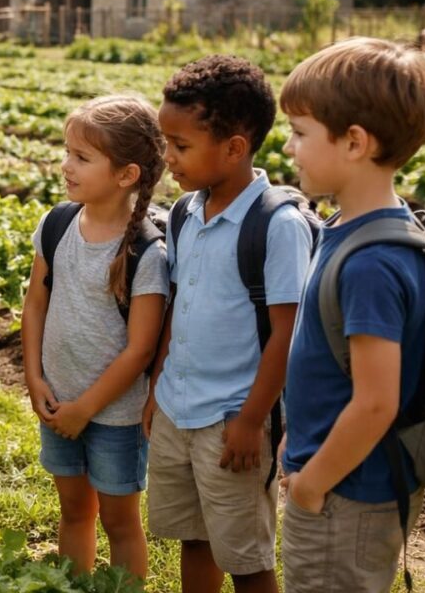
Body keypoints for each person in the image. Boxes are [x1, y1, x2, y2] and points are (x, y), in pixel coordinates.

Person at [144, 56, 312, 593]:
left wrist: (251, 420)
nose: (168, 158)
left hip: (232, 419)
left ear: (235, 148)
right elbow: (176, 305)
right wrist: (157, 385)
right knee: (195, 538)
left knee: (245, 556)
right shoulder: (183, 213)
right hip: (177, 406)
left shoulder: (276, 226)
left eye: (181, 146)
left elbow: (287, 334)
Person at [278, 38, 425, 592]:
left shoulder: (372, 262)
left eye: (300, 133)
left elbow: (376, 402)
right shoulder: (352, 228)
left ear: (353, 142)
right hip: (338, 477)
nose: (289, 146)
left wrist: (312, 484)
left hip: (347, 493)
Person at [21, 95, 169, 579]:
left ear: (126, 175)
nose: (66, 165)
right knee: (73, 512)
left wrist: (87, 408)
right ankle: (73, 586)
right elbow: (36, 302)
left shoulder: (146, 250)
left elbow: (140, 348)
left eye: (82, 157)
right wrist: (34, 377)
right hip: (57, 400)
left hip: (115, 416)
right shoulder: (57, 223)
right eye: (67, 151)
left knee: (120, 520)